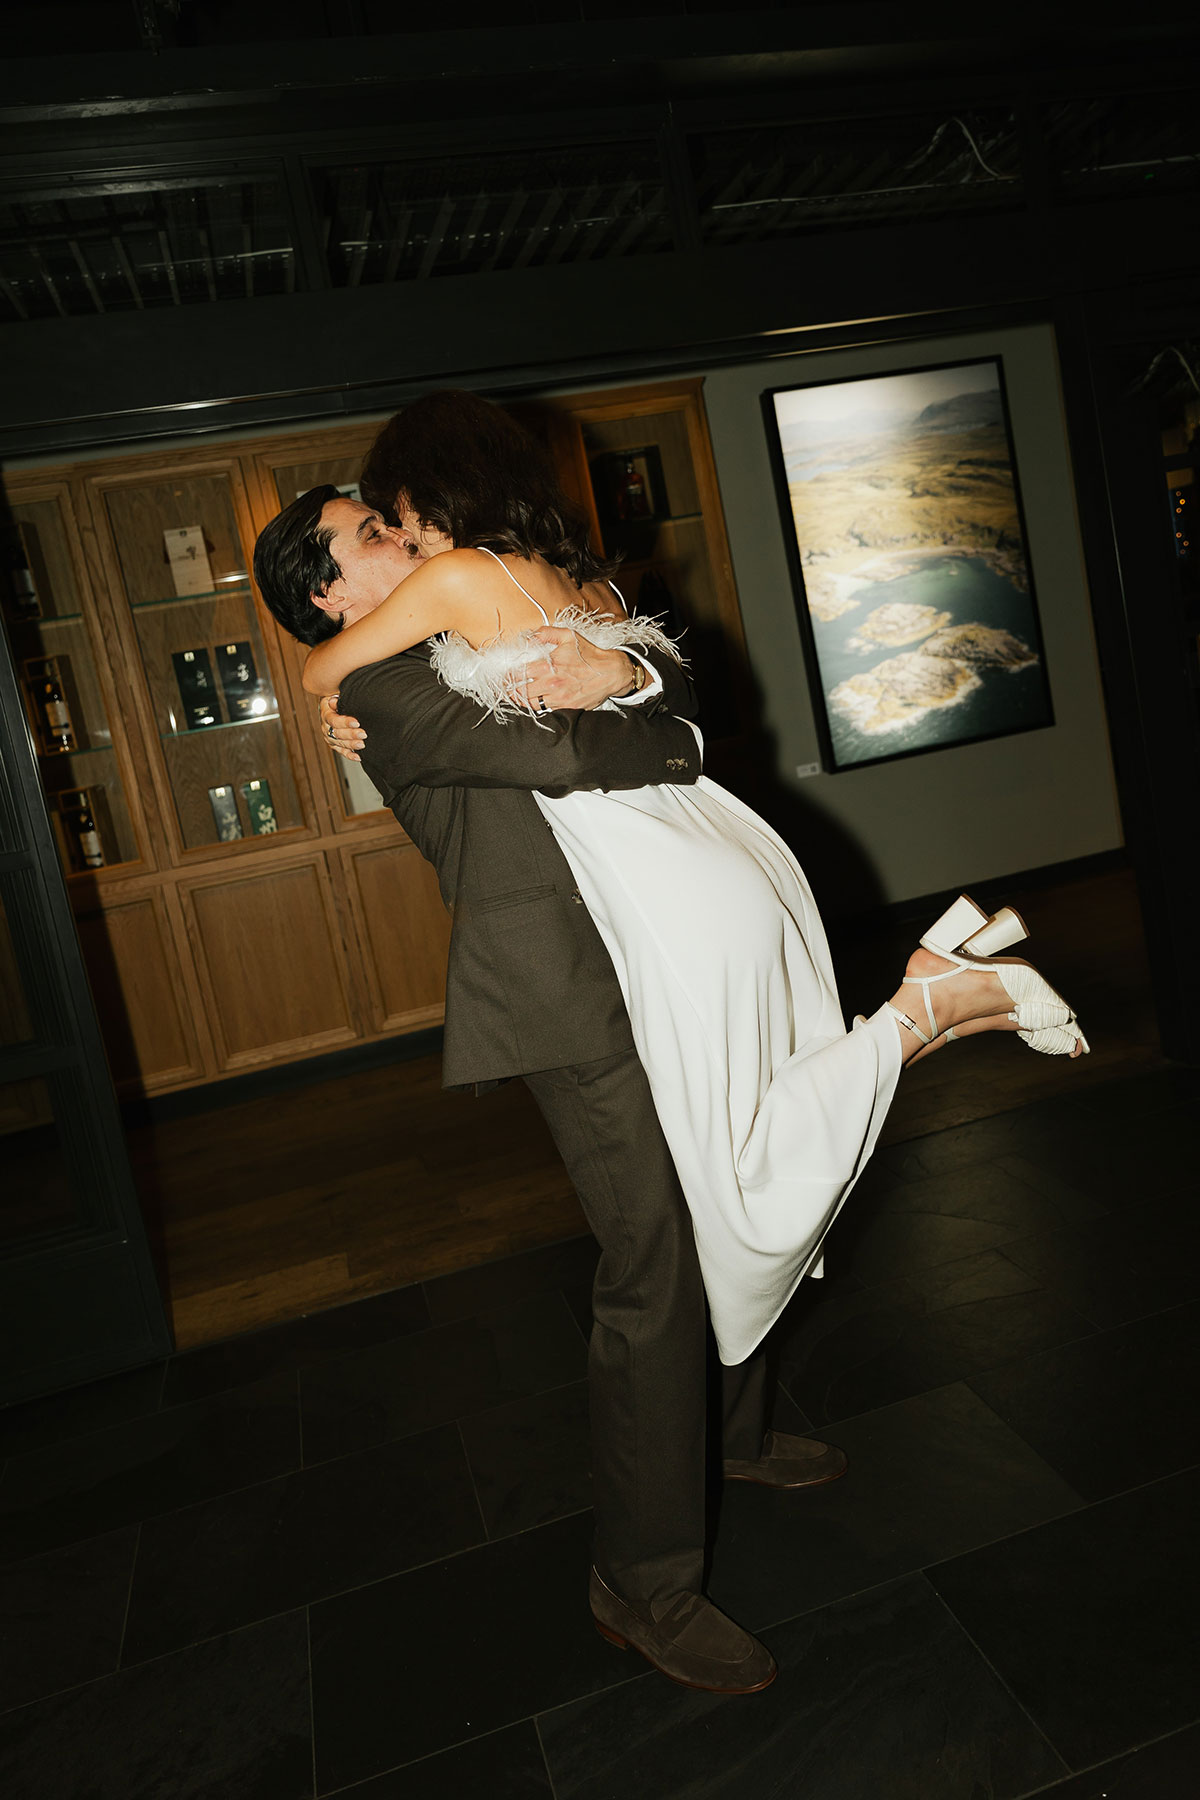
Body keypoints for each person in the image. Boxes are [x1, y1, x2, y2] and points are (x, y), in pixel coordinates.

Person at [252, 393, 1086, 1695]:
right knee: (653, 1265)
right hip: (570, 995)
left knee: (723, 1189)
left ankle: (731, 1433)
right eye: (372, 534)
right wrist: (647, 708)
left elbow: (672, 690)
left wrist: (640, 680)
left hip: (667, 962)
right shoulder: (379, 685)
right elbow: (581, 757)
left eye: (395, 519)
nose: (403, 536)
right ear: (328, 594)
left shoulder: (449, 625)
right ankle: (641, 1585)